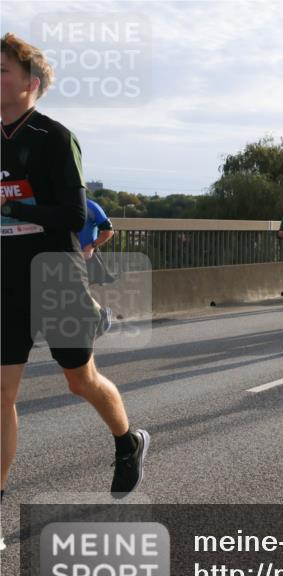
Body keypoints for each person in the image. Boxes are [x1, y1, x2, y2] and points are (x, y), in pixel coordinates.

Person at [1, 33, 149, 502]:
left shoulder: (55, 137)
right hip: (6, 279)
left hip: (55, 275)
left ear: (32, 81)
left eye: (2, 70)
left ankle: (128, 441)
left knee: (78, 379)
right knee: (2, 394)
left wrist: (16, 208)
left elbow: (75, 216)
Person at [80, 198, 115, 335]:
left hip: (86, 255)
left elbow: (109, 231)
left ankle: (101, 315)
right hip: (65, 255)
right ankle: (99, 315)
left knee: (79, 290)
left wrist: (91, 246)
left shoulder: (91, 206)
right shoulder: (58, 204)